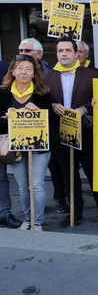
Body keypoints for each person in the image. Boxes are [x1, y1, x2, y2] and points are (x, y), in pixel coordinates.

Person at [45, 37, 98, 226]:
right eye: (60, 51)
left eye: (68, 50)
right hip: (60, 134)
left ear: (76, 53)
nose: (64, 54)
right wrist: (52, 105)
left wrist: (85, 109)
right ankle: (75, 211)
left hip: (87, 132)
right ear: (56, 53)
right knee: (69, 174)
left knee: (94, 173)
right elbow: (42, 101)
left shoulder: (93, 74)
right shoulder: (47, 77)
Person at [0, 55, 52, 230]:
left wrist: (38, 112)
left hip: (39, 147)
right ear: (13, 71)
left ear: (34, 73)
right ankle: (27, 220)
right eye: (20, 68)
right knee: (23, 187)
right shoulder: (4, 93)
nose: (24, 72)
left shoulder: (42, 93)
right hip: (14, 148)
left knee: (36, 185)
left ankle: (36, 222)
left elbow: (52, 121)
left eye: (28, 69)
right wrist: (7, 118)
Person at [0, 59, 21, 229]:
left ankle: (4, 213)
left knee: (1, 178)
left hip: (1, 131)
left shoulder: (3, 68)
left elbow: (10, 99)